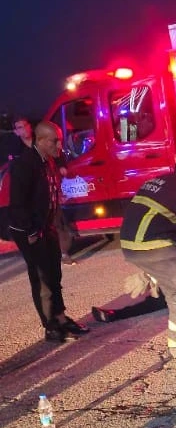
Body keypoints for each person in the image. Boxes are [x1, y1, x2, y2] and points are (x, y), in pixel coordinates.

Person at [112, 156, 176, 356]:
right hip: (153, 244)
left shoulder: (165, 180)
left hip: (133, 243)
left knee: (175, 290)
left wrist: (153, 274)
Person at [7, 121, 88, 342]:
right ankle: (52, 327)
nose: (59, 145)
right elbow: (18, 204)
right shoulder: (25, 164)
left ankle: (61, 317)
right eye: (55, 141)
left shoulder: (48, 160)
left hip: (46, 225)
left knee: (54, 273)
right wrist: (32, 232)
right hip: (30, 231)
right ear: (41, 140)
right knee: (42, 277)